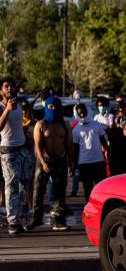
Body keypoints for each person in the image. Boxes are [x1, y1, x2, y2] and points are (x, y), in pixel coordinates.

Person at [26, 97, 72, 231]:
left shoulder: (65, 124)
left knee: (59, 191)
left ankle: (58, 220)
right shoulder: (40, 124)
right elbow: (38, 146)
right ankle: (36, 218)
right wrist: (42, 162)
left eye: (55, 107)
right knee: (38, 190)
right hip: (44, 160)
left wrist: (70, 163)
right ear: (46, 108)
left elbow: (69, 145)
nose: (53, 109)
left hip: (60, 160)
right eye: (50, 107)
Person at [0, 78, 31, 235]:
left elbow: (22, 125)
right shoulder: (1, 107)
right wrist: (7, 109)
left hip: (22, 149)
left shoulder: (19, 105)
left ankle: (20, 218)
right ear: (1, 91)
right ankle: (12, 221)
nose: (10, 88)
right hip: (8, 151)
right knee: (11, 186)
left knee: (23, 186)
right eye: (6, 86)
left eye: (12, 86)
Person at [72, 103, 109, 202]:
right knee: (88, 190)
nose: (82, 115)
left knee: (100, 189)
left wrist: (108, 153)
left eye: (84, 112)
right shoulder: (75, 130)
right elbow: (75, 149)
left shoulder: (96, 125)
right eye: (80, 114)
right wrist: (73, 165)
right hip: (84, 164)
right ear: (77, 114)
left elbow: (103, 142)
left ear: (87, 111)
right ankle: (89, 210)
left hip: (98, 162)